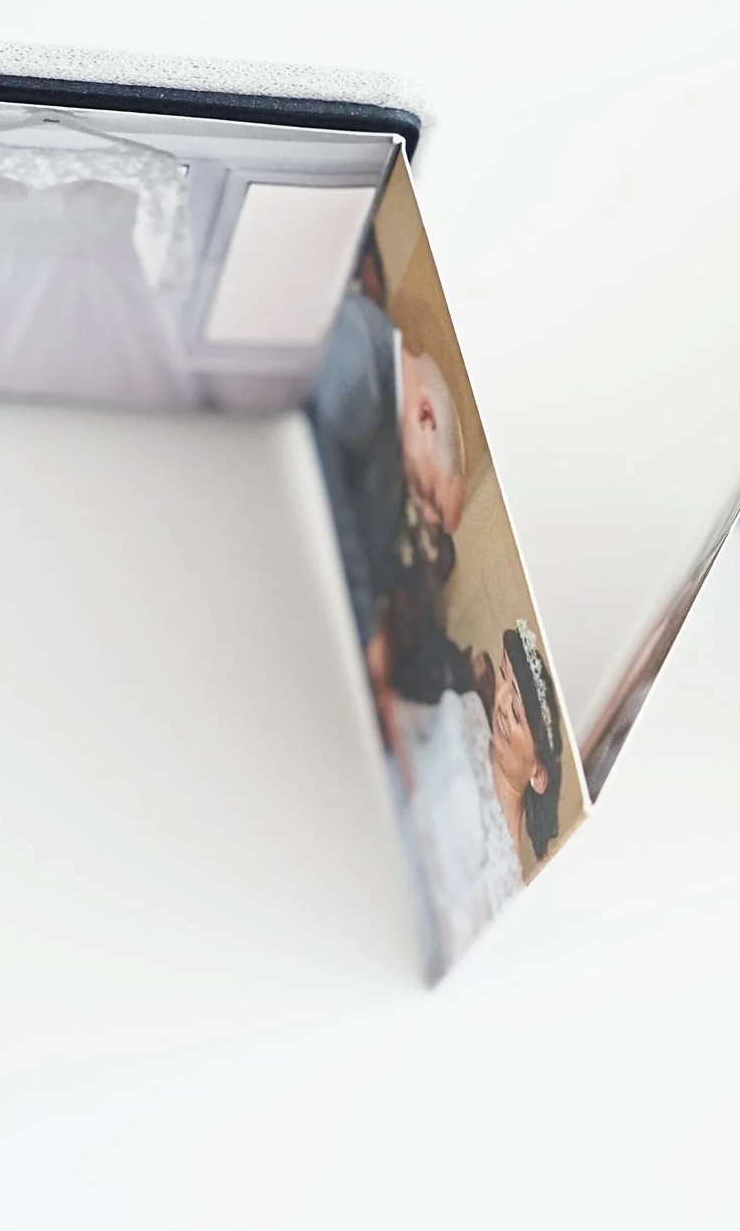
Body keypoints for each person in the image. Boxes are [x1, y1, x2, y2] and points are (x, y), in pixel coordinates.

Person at [304, 289, 470, 697]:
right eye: (432, 497)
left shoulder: (385, 429)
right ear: (426, 416)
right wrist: (365, 626)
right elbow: (315, 457)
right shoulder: (361, 350)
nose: (424, 514)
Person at [388, 626, 568, 978]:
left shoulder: (503, 885)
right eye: (504, 676)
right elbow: (398, 723)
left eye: (517, 711)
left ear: (538, 774)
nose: (501, 705)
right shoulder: (468, 715)